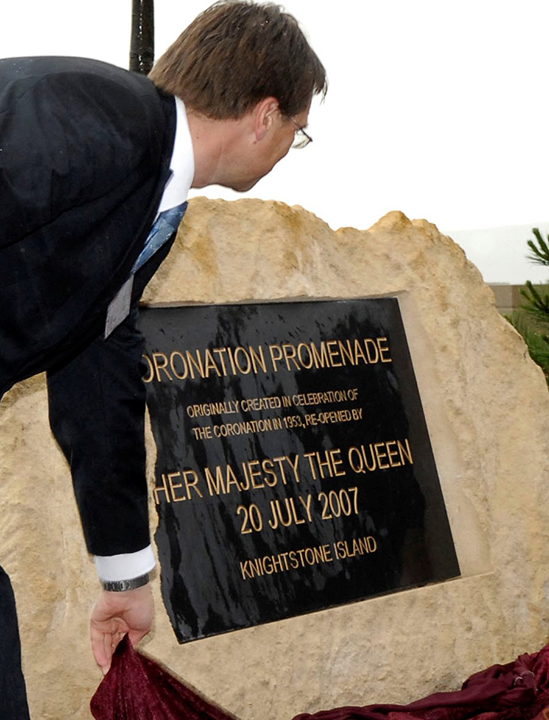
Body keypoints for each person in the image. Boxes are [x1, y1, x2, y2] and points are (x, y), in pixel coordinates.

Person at [0, 2, 325, 716]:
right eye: (298, 133)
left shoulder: (147, 193)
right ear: (265, 116)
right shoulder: (87, 115)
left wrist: (125, 577)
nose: (284, 150)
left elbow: (97, 373)